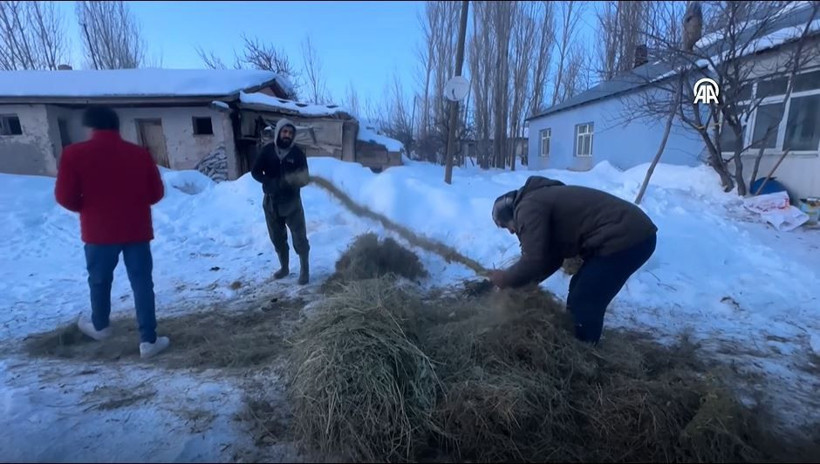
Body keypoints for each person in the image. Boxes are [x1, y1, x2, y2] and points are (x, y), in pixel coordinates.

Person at [54, 106, 170, 359]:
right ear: (117, 126)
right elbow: (156, 194)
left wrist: (88, 207)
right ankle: (148, 341)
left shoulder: (74, 154)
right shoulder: (138, 154)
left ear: (91, 127)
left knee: (99, 279)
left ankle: (100, 325)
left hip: (98, 231)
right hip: (136, 229)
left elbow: (64, 196)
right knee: (141, 284)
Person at [488, 176, 658, 345]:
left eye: (505, 226)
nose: (510, 231)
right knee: (579, 289)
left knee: (584, 299)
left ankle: (584, 354)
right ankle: (580, 340)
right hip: (630, 235)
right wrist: (522, 283)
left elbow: (534, 259)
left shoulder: (527, 208)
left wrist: (506, 279)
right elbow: (551, 258)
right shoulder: (537, 199)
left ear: (509, 214)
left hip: (626, 238)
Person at [252, 118, 311, 285]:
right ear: (278, 132)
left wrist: (292, 182)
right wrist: (269, 182)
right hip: (271, 203)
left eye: (290, 133)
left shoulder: (297, 154)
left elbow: (305, 178)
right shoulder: (268, 151)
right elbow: (255, 172)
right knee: (277, 238)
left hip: (291, 203)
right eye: (285, 132)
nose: (287, 135)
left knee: (300, 238)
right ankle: (284, 268)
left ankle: (304, 271)